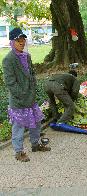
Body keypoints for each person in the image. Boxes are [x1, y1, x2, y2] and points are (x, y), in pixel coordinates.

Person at [2, 27, 51, 162]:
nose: (22, 42)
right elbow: (10, 83)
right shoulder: (8, 60)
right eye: (18, 40)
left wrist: (33, 89)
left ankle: (35, 145)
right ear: (12, 42)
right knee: (18, 126)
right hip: (18, 100)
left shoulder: (27, 56)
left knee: (36, 122)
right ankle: (19, 152)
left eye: (23, 39)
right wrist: (23, 95)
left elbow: (32, 75)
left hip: (31, 98)